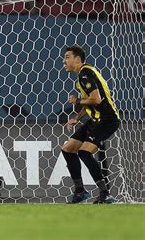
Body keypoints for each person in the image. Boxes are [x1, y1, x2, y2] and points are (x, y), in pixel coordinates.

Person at [62, 45, 120, 204]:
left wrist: (77, 100)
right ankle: (80, 191)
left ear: (77, 59)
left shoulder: (85, 74)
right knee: (67, 149)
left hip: (107, 119)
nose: (64, 61)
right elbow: (90, 104)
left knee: (84, 152)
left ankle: (105, 193)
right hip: (95, 119)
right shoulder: (84, 75)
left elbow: (96, 99)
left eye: (67, 57)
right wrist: (77, 118)